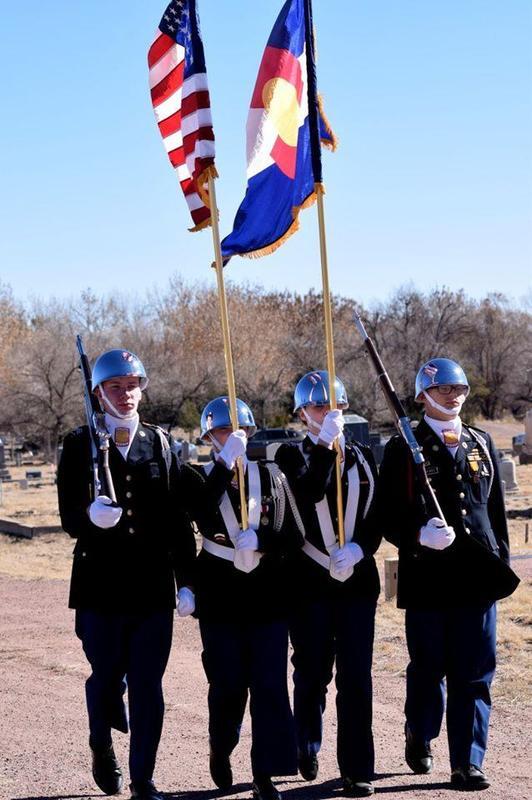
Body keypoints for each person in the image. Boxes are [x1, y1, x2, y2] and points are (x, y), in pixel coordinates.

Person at [57, 348, 197, 800]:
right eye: (115, 387)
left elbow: (178, 523)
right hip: (100, 586)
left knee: (147, 685)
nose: (126, 394)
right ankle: (101, 744)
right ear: (98, 393)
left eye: (133, 385)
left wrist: (187, 581)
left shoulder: (159, 444)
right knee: (104, 678)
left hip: (152, 587)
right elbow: (67, 516)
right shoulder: (80, 444)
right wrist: (87, 516)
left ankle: (143, 779)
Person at [377, 357, 514, 791]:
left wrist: (501, 564)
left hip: (476, 576)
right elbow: (385, 515)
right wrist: (417, 534)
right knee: (428, 669)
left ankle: (467, 761)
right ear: (422, 397)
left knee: (475, 672)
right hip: (429, 576)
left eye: (461, 389)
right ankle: (419, 733)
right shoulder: (404, 446)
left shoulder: (479, 442)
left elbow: (494, 512)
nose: (454, 396)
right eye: (443, 391)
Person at [181, 396, 304, 800]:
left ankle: (264, 774)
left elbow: (295, 535)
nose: (233, 436)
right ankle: (222, 744)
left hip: (268, 594)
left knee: (269, 685)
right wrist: (221, 466)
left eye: (241, 430)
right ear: (208, 437)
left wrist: (264, 539)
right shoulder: (197, 476)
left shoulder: (270, 475)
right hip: (220, 596)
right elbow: (197, 512)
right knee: (228, 685)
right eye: (222, 431)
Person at [274, 371, 381, 798]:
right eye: (317, 406)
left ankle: (357, 768)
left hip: (356, 582)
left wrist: (360, 549)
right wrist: (322, 447)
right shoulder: (288, 455)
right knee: (313, 671)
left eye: (333, 405)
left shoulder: (364, 455)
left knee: (356, 676)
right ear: (302, 413)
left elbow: (377, 513)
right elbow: (307, 492)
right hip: (308, 583)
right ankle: (307, 740)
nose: (326, 412)